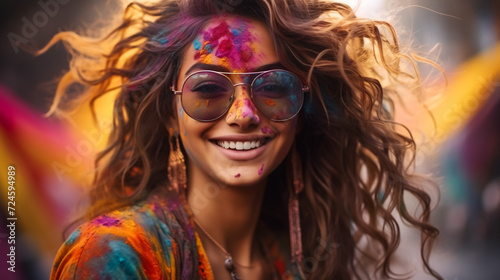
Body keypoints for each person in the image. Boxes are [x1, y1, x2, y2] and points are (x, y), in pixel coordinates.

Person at [46, 0, 442, 279]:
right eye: (208, 90)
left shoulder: (297, 257)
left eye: (272, 86)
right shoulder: (113, 257)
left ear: (301, 115)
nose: (245, 115)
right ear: (170, 114)